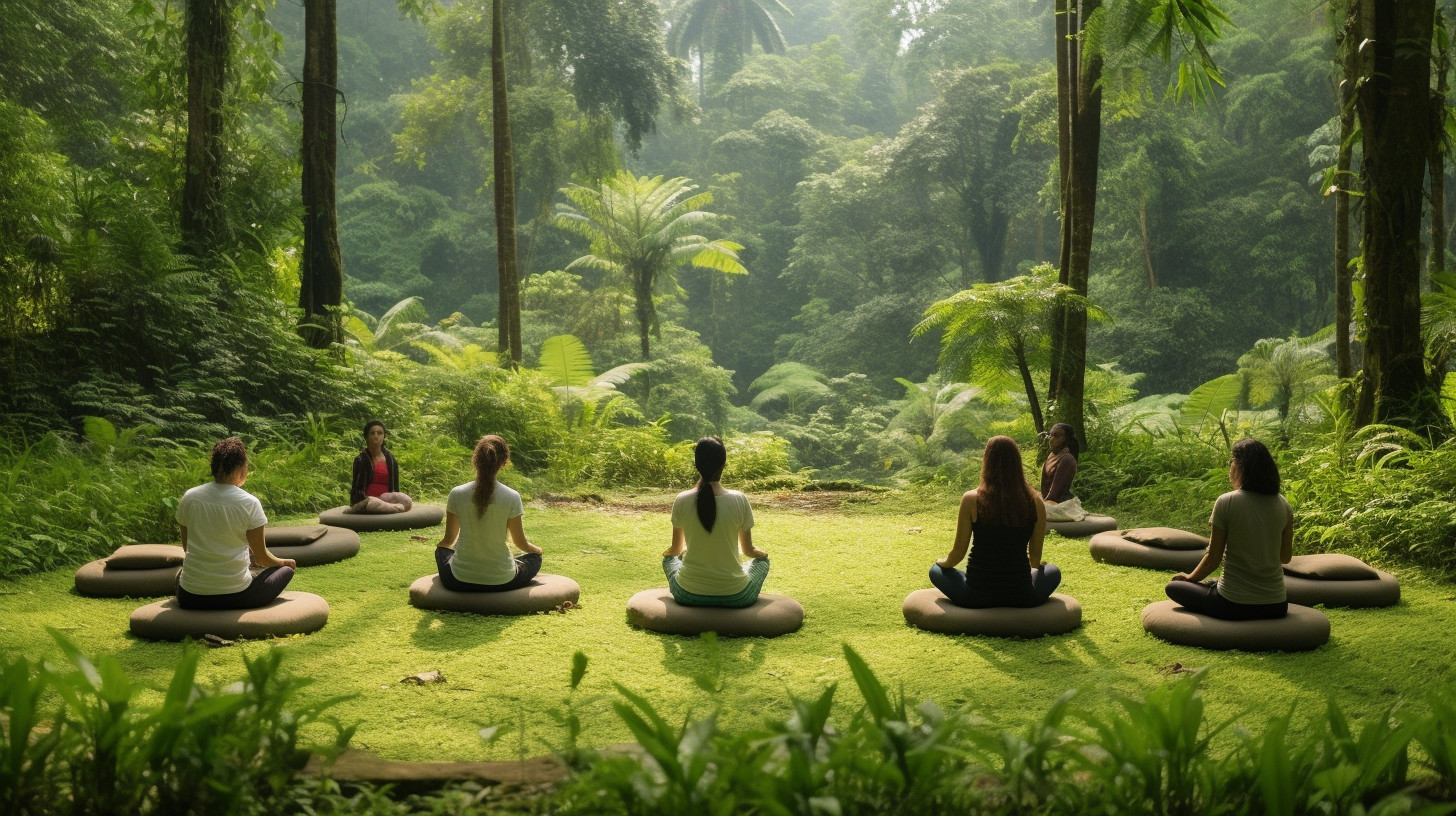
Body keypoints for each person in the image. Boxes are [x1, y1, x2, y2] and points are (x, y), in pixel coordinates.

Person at [1164, 438, 1292, 620]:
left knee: (1175, 587)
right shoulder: (1284, 504)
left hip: (1232, 604)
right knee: (1211, 585)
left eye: (1232, 461)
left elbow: (1213, 558)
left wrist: (1189, 578)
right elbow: (1285, 557)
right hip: (1277, 605)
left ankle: (1210, 587)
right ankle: (1212, 586)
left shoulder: (1227, 501)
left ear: (1240, 466)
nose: (1230, 466)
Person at [930, 435, 1062, 608]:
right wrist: (1038, 567)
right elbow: (1035, 561)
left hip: (976, 596)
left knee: (935, 571)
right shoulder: (1035, 501)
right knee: (1053, 571)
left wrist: (942, 563)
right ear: (1017, 464)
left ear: (987, 462)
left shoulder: (971, 499)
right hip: (1022, 596)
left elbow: (958, 553)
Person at [175, 437, 296, 610]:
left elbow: (188, 548)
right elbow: (262, 558)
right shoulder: (249, 502)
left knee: (182, 574)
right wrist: (284, 562)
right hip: (237, 596)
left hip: (190, 597)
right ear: (242, 468)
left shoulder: (190, 497)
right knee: (285, 571)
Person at [662, 437, 770, 608]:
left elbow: (675, 550)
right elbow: (749, 551)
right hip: (737, 596)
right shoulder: (739, 499)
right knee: (762, 563)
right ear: (723, 465)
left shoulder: (682, 499)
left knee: (668, 560)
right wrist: (762, 554)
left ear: (697, 465)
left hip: (687, 594)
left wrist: (673, 553)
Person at [435, 434, 542, 592]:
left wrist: (444, 551)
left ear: (475, 460)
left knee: (441, 552)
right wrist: (537, 550)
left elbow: (448, 540)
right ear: (504, 463)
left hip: (458, 580)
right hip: (502, 580)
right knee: (534, 558)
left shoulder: (457, 493)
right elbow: (521, 544)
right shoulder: (511, 496)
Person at [349, 420, 414, 514]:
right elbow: (357, 488)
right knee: (373, 502)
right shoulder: (361, 459)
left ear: (384, 437)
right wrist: (357, 502)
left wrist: (396, 499)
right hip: (367, 501)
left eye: (379, 433)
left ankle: (391, 507)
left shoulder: (390, 459)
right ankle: (393, 508)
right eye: (372, 433)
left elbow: (395, 489)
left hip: (386, 500)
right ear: (367, 437)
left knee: (407, 500)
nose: (376, 436)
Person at [1041, 422, 1079, 504]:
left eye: (1057, 436)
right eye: (1050, 435)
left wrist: (1042, 505)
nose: (1051, 439)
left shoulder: (1067, 459)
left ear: (1066, 438)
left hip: (1060, 503)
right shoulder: (1051, 455)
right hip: (1048, 501)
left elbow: (1055, 492)